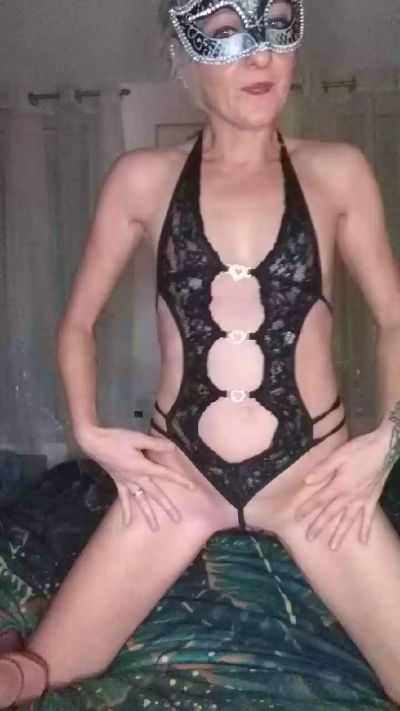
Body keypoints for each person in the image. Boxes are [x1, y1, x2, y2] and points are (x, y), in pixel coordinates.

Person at [2, 0, 400, 706]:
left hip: (310, 483)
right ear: (184, 60)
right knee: (41, 670)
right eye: (225, 33)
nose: (260, 54)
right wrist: (89, 432)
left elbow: (393, 318)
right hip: (182, 481)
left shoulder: (337, 172)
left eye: (276, 27)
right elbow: (77, 324)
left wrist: (388, 441)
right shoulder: (141, 178)